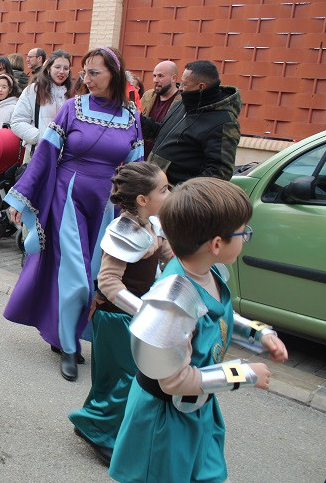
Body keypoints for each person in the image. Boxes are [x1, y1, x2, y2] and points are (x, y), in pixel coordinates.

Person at [109, 177, 288, 482]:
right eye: (243, 232)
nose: (246, 237)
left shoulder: (208, 271)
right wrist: (245, 374)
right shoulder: (173, 300)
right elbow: (174, 381)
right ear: (216, 244)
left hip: (198, 404)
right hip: (165, 421)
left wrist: (259, 333)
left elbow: (218, 314)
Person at [5, 46, 143, 382]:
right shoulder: (72, 108)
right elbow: (44, 157)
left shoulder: (131, 115)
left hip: (107, 204)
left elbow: (138, 168)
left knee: (97, 275)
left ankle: (68, 332)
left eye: (95, 72)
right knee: (75, 275)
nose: (86, 78)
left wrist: (143, 211)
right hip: (68, 198)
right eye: (85, 72)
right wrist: (20, 199)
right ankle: (69, 346)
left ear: (115, 73)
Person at [69, 162, 173, 466]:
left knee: (118, 377)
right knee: (122, 378)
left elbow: (169, 259)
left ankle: (93, 420)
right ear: (142, 199)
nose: (170, 193)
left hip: (133, 315)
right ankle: (101, 434)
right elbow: (109, 282)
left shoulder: (153, 225)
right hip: (116, 317)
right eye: (164, 189)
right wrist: (143, 310)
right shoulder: (123, 231)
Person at [145, 60, 242, 185]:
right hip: (155, 187)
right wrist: (138, 119)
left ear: (201, 87)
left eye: (184, 84)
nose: (180, 88)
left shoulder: (224, 122)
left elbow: (220, 172)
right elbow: (160, 133)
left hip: (179, 198)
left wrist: (182, 192)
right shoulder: (183, 104)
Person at [10, 49, 72, 161]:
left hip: (64, 159)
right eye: (57, 67)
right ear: (48, 68)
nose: (62, 71)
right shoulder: (33, 90)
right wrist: (40, 137)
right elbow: (17, 122)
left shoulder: (71, 95)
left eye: (66, 68)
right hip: (37, 155)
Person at [140, 61, 181, 157]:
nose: (155, 80)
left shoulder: (182, 102)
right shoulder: (148, 96)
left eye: (160, 76)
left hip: (162, 161)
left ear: (173, 78)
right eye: (154, 76)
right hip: (140, 160)